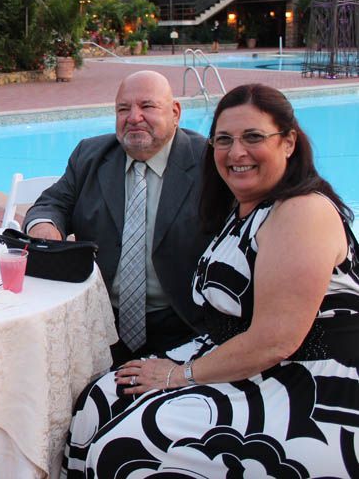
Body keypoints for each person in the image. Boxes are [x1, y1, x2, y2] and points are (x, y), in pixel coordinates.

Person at [63, 84, 359, 477]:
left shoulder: (303, 211)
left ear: (288, 142)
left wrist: (175, 375)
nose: (236, 152)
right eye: (224, 140)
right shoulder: (244, 207)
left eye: (253, 137)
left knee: (124, 446)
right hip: (237, 359)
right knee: (99, 398)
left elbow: (276, 340)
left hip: (304, 382)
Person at [24, 70, 212, 364]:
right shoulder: (91, 154)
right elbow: (52, 203)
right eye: (123, 109)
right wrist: (45, 226)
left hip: (183, 326)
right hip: (99, 321)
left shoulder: (207, 162)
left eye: (147, 106)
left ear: (175, 113)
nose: (134, 117)